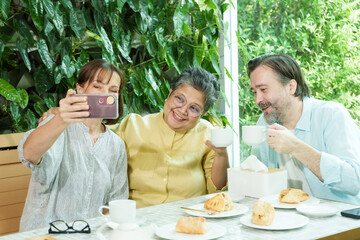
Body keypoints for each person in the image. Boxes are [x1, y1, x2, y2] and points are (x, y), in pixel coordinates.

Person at [18, 59, 129, 231]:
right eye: (97, 86)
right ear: (80, 89)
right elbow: (30, 154)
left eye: (113, 90)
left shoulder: (116, 145)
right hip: (45, 234)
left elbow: (116, 203)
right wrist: (62, 118)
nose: (105, 94)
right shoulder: (57, 125)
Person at [248, 53, 360, 204]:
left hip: (341, 222)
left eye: (263, 89)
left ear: (291, 87)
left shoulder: (331, 115)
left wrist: (296, 147)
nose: (257, 100)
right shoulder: (264, 123)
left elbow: (354, 182)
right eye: (254, 92)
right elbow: (259, 179)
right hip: (289, 220)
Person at [112, 66, 229, 208]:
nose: (183, 110)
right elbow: (94, 141)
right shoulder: (132, 125)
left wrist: (221, 154)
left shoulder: (208, 133)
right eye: (180, 99)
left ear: (202, 114)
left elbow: (216, 188)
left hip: (189, 219)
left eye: (194, 108)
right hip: (140, 220)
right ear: (169, 95)